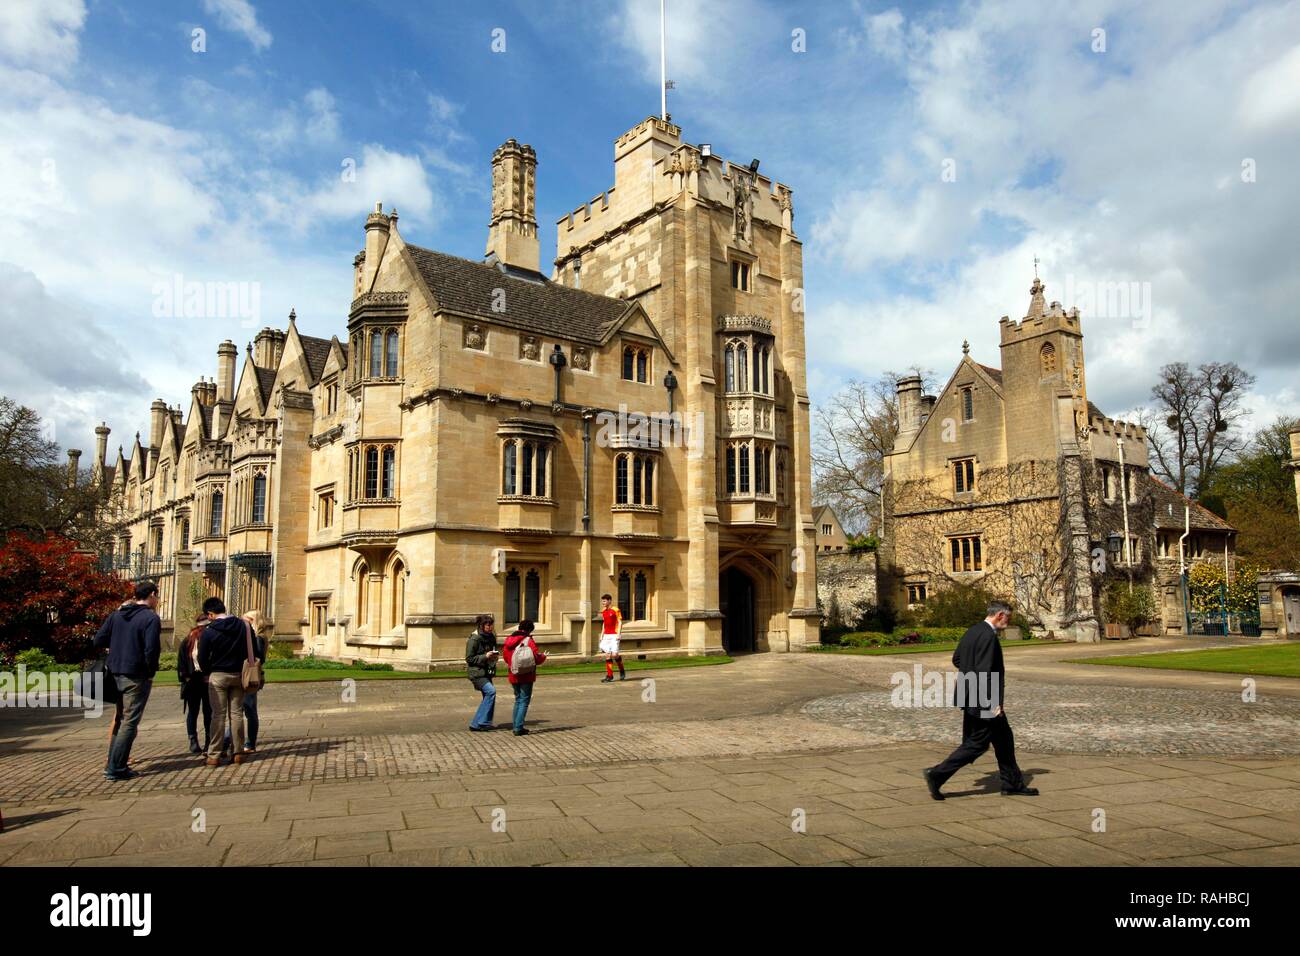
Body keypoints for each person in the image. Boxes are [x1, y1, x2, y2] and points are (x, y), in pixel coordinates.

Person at [923, 601, 1038, 800]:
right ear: (1000, 615)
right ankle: (937, 774)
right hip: (983, 699)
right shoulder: (988, 636)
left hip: (971, 695)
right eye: (1008, 618)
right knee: (976, 743)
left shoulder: (973, 631)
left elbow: (957, 659)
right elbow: (985, 673)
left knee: (1004, 740)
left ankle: (1012, 783)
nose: (1008, 622)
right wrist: (992, 704)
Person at [92, 580, 162, 781]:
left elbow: (98, 640)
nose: (157, 600)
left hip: (115, 672)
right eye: (157, 596)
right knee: (129, 722)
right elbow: (151, 650)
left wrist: (117, 644)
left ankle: (113, 762)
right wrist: (150, 671)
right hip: (136, 674)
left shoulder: (117, 614)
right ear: (151, 595)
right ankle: (116, 767)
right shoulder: (150, 618)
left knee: (121, 719)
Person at [197, 597, 256, 766]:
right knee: (237, 714)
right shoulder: (243, 625)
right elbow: (254, 649)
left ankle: (214, 754)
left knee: (218, 715)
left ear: (210, 614)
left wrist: (208, 671)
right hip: (239, 674)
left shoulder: (209, 631)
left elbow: (202, 657)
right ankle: (238, 752)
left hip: (218, 675)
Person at [223, 611, 269, 754]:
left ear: (255, 621)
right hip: (244, 676)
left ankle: (248, 743)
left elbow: (258, 658)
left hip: (249, 677)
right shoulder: (248, 636)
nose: (243, 621)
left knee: (248, 710)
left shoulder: (258, 638)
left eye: (246, 619)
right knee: (239, 710)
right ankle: (228, 741)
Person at [501, 619, 547, 736]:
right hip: (526, 675)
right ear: (530, 629)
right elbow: (535, 659)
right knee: (524, 701)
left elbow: (506, 657)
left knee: (518, 700)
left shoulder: (509, 640)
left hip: (513, 673)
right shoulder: (528, 640)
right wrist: (543, 657)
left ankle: (516, 725)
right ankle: (518, 727)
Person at [178, 612, 212, 755]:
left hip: (192, 680)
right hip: (205, 679)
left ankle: (193, 740)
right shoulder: (207, 638)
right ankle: (208, 742)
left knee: (193, 712)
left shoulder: (187, 639)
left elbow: (181, 664)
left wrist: (185, 678)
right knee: (208, 712)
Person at [465, 614, 498, 731]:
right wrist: (485, 656)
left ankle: (481, 723)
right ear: (482, 626)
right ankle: (480, 722)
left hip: (487, 671)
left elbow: (493, 651)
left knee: (488, 696)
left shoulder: (491, 637)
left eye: (491, 625)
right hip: (476, 672)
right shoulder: (474, 639)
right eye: (488, 625)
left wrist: (494, 657)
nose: (490, 627)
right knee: (491, 692)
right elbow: (469, 659)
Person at [599, 593, 625, 683]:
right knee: (607, 654)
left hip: (614, 635)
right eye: (602, 601)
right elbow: (604, 623)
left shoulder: (616, 610)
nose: (603, 602)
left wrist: (619, 634)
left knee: (615, 655)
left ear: (609, 601)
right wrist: (602, 634)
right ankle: (609, 676)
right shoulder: (603, 611)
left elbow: (620, 622)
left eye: (604, 601)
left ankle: (621, 669)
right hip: (606, 635)